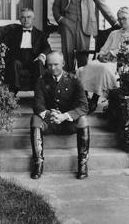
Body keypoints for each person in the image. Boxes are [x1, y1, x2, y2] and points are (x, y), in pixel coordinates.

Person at [31, 51, 90, 180]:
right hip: (50, 122)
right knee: (35, 119)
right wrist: (49, 114)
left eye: (56, 64)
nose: (52, 68)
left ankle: (83, 164)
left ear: (63, 64)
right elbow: (37, 105)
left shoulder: (75, 80)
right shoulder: (41, 80)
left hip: (69, 123)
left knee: (83, 120)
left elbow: (84, 106)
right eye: (49, 65)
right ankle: (38, 163)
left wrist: (64, 116)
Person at [53, 0, 119, 72]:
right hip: (68, 25)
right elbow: (55, 7)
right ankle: (68, 83)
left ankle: (82, 86)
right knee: (67, 56)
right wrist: (61, 19)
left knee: (82, 57)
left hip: (85, 26)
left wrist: (115, 22)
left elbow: (102, 4)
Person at [77, 7, 129, 113]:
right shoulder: (113, 34)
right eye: (119, 19)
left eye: (124, 18)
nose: (121, 21)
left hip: (119, 63)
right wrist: (101, 56)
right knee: (83, 69)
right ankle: (83, 99)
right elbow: (103, 49)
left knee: (102, 69)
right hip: (104, 60)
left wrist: (112, 54)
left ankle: (94, 99)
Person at [4, 8, 51, 95]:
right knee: (14, 63)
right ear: (20, 19)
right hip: (18, 59)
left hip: (34, 60)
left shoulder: (40, 34)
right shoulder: (12, 33)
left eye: (29, 17)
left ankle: (40, 95)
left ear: (33, 19)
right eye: (23, 17)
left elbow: (47, 47)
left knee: (39, 63)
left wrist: (42, 56)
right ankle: (12, 94)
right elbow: (5, 47)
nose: (26, 20)